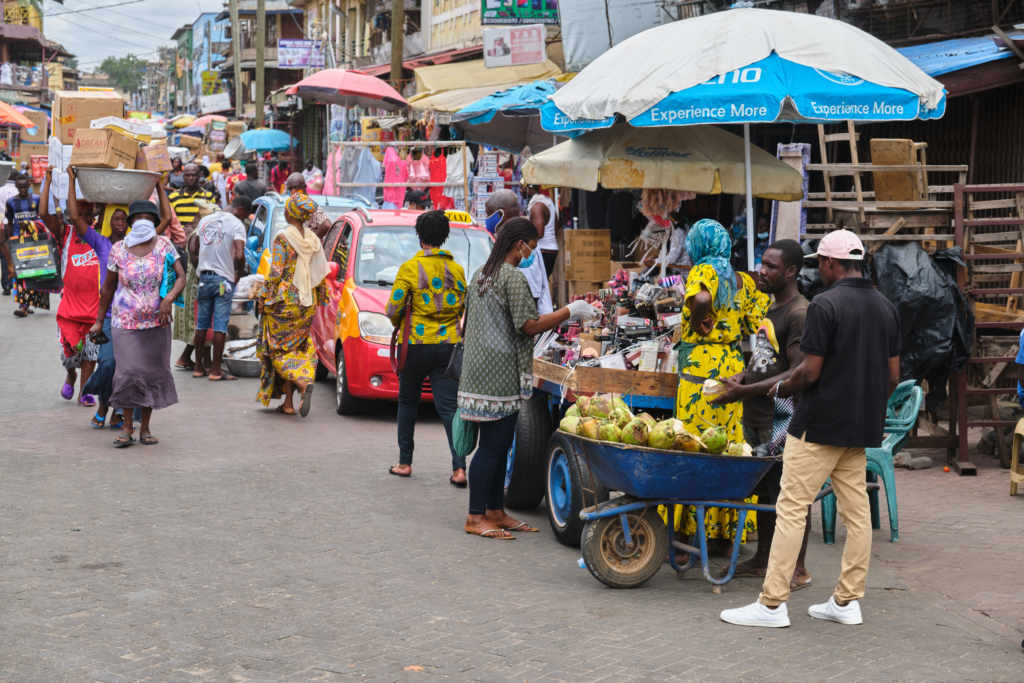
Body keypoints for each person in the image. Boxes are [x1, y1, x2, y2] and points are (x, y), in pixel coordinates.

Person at [720, 230, 901, 629]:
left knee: (790, 509)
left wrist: (780, 388)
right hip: (858, 429)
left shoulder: (824, 305)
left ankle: (771, 605)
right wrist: (865, 408)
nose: (818, 268)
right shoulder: (886, 307)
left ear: (832, 263)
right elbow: (892, 377)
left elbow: (809, 371)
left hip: (818, 426)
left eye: (820, 261)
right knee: (857, 517)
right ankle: (847, 600)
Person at [458, 217, 601, 539]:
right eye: (531, 247)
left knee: (496, 444)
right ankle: (475, 516)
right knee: (492, 448)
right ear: (518, 244)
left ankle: (494, 511)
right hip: (499, 375)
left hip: (479, 373)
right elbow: (529, 325)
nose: (532, 254)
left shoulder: (483, 274)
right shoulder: (511, 277)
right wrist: (571, 310)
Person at [709, 239, 812, 590]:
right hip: (757, 416)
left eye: (770, 266)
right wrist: (744, 377)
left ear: (791, 271)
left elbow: (797, 372)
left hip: (779, 420)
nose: (761, 271)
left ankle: (797, 569)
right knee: (765, 494)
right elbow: (768, 361)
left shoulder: (799, 313)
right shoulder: (774, 307)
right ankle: (764, 559)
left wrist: (747, 390)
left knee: (789, 495)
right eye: (761, 264)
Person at [673, 219, 770, 552]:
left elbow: (700, 298)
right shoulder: (743, 280)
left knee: (694, 447)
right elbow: (761, 325)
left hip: (701, 373)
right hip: (731, 371)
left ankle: (684, 536)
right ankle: (726, 538)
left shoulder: (704, 270)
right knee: (729, 449)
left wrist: (700, 320)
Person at [90, 199, 187, 447]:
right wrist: (99, 321)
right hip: (125, 322)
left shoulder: (165, 245)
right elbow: (108, 287)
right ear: (131, 221)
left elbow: (181, 277)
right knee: (128, 373)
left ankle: (144, 427)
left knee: (152, 374)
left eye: (148, 216)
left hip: (158, 322)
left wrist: (169, 299)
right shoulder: (118, 249)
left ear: (155, 221)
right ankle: (126, 425)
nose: (143, 220)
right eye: (138, 216)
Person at [385, 211, 468, 486]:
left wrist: (402, 321)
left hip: (415, 347)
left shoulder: (409, 268)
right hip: (448, 347)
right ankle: (459, 469)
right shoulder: (456, 270)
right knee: (448, 408)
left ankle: (405, 463)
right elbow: (463, 308)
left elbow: (393, 308)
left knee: (408, 402)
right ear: (444, 237)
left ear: (419, 237)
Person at [255, 193, 329, 416]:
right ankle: (288, 404)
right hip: (307, 304)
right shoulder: (313, 240)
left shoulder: (283, 239)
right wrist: (321, 299)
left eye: (287, 209)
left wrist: (262, 298)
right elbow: (320, 274)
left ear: (290, 213)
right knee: (295, 348)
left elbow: (275, 273)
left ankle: (302, 382)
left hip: (284, 305)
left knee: (278, 350)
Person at [38, 167, 105, 407]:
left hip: (95, 305)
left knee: (91, 351)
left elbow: (105, 205)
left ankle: (84, 392)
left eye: (88, 213)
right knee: (69, 353)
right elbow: (43, 212)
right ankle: (71, 375)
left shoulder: (100, 236)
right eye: (80, 212)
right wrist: (48, 182)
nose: (84, 217)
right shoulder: (64, 233)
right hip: (70, 305)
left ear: (94, 216)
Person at [189, 196, 251, 381]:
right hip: (223, 281)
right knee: (220, 326)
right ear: (240, 209)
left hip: (204, 279)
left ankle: (198, 367)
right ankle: (216, 371)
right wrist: (238, 274)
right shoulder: (237, 225)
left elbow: (196, 248)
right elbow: (240, 256)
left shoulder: (205, 220)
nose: (243, 219)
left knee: (201, 325)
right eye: (245, 215)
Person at [486, 190, 552, 314]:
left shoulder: (524, 248)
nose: (486, 219)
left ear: (500, 215)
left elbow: (531, 301)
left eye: (488, 214)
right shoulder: (507, 244)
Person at [6, 173, 43, 317]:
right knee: (20, 275)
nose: (22, 190)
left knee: (34, 273)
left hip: (34, 242)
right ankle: (23, 305)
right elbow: (10, 223)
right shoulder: (11, 202)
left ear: (29, 185)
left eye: (25, 187)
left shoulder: (36, 199)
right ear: (16, 187)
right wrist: (10, 241)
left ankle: (27, 304)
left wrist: (31, 225)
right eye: (20, 187)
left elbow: (41, 219)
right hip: (18, 243)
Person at [169, 164, 217, 230]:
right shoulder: (173, 197)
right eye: (187, 175)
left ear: (199, 177)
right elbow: (170, 221)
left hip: (200, 237)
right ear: (183, 177)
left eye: (194, 175)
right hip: (180, 238)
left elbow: (213, 219)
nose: (190, 178)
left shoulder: (208, 196)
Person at [525, 183, 558, 278]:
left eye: (521, 188)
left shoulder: (536, 206)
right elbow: (556, 226)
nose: (519, 191)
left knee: (538, 285)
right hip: (550, 249)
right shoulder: (548, 201)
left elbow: (539, 233)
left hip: (543, 250)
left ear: (530, 188)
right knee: (542, 284)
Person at [284, 173, 331, 237]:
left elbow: (326, 225)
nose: (293, 192)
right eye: (290, 189)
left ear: (304, 187)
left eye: (296, 188)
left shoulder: (310, 207)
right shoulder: (293, 207)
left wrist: (312, 242)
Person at [0, 172, 18, 295]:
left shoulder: (0, 190)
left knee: (3, 254)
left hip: (2, 223)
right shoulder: (20, 190)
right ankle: (14, 283)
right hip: (14, 224)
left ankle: (6, 285)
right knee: (14, 253)